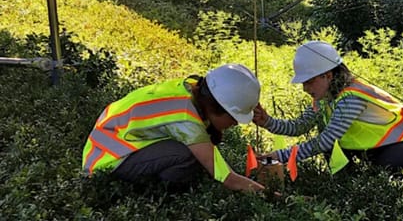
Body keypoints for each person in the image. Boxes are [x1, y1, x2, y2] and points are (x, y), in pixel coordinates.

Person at [82, 63, 268, 193]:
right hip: (106, 163)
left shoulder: (191, 89)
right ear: (217, 108)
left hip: (108, 148)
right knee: (187, 155)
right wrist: (268, 196)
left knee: (195, 154)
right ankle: (158, 197)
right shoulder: (186, 119)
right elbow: (227, 177)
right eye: (234, 118)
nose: (234, 124)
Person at [253, 41, 403, 174]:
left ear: (328, 76)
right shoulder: (324, 98)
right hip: (376, 148)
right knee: (345, 164)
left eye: (309, 82)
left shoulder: (351, 98)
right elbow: (299, 126)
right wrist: (267, 122)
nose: (305, 89)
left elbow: (325, 140)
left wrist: (281, 156)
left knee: (378, 180)